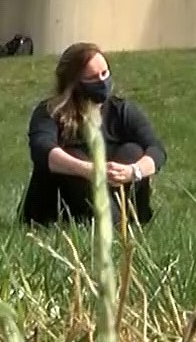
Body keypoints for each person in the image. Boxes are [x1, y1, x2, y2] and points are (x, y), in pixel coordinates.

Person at [20, 42, 166, 227]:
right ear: (74, 82)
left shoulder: (121, 110)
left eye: (104, 74)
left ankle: (126, 220)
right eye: (93, 78)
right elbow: (42, 149)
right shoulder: (49, 113)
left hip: (116, 195)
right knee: (70, 156)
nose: (102, 82)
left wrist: (132, 171)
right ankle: (105, 221)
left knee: (133, 151)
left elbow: (156, 149)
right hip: (65, 205)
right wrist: (90, 170)